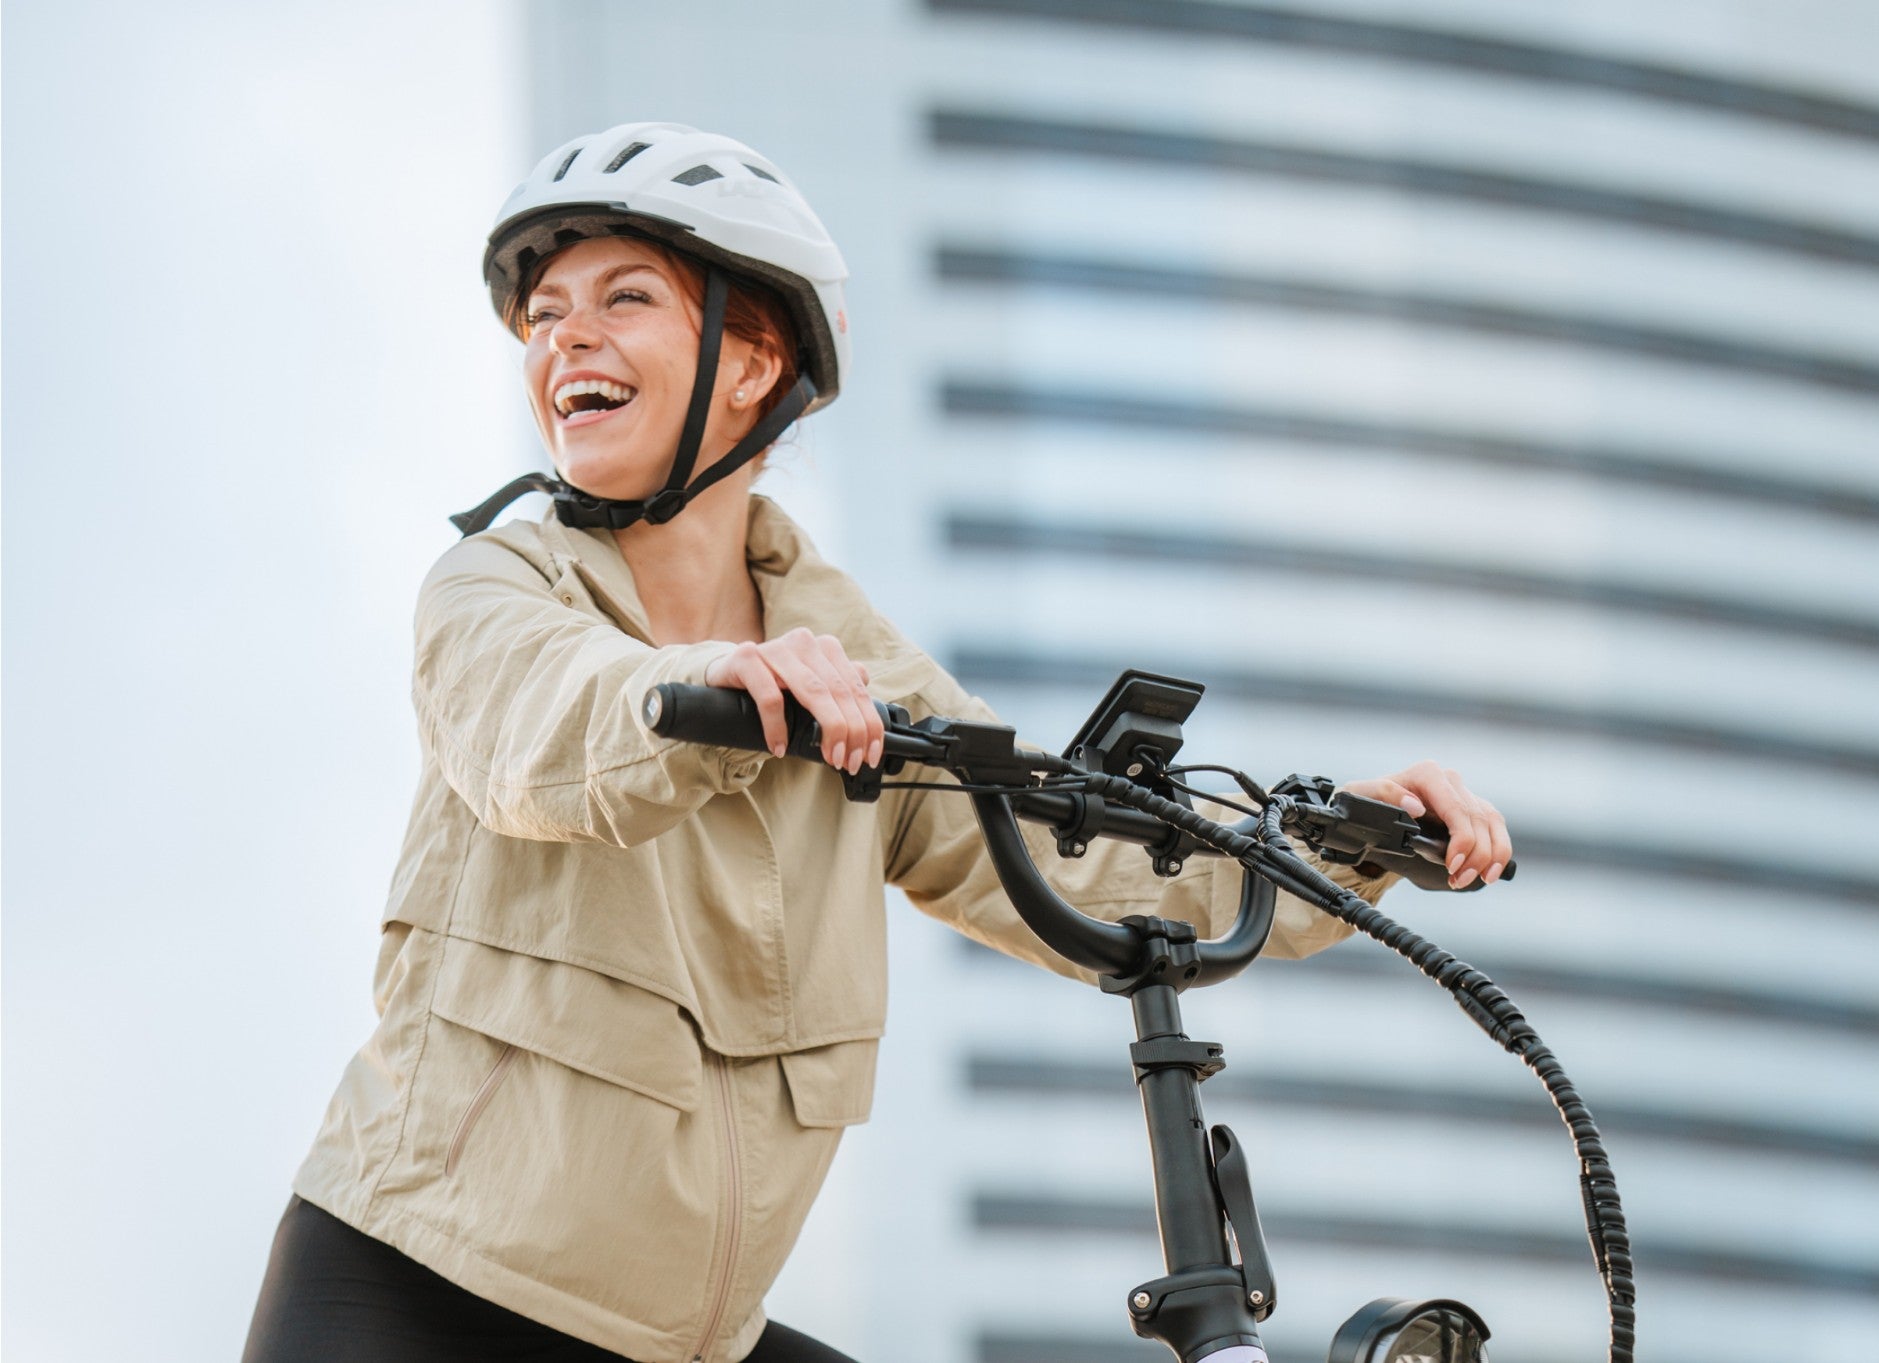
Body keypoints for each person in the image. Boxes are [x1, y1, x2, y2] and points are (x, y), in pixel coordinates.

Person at [242, 122, 1513, 1363]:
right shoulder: (495, 588)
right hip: (417, 1293)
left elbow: (1071, 863)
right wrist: (714, 682)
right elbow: (547, 725)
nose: (563, 335)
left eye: (622, 297)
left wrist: (1337, 843)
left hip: (686, 1341)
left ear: (750, 362)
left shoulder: (850, 661)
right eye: (543, 315)